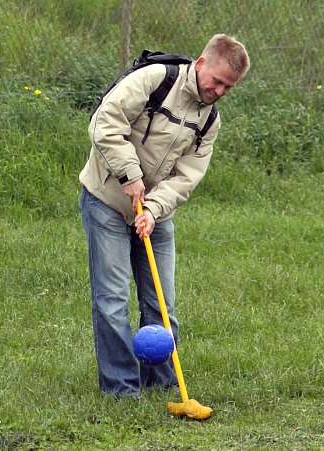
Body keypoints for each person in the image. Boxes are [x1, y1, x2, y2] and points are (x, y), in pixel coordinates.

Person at [79, 34, 250, 398]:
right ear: (200, 64)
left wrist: (154, 209)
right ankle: (122, 389)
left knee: (161, 303)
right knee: (111, 300)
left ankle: (161, 382)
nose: (219, 91)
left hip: (152, 211)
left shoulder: (209, 122)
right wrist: (130, 175)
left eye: (228, 88)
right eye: (217, 81)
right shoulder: (156, 79)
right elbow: (103, 123)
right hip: (107, 198)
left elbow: (185, 178)